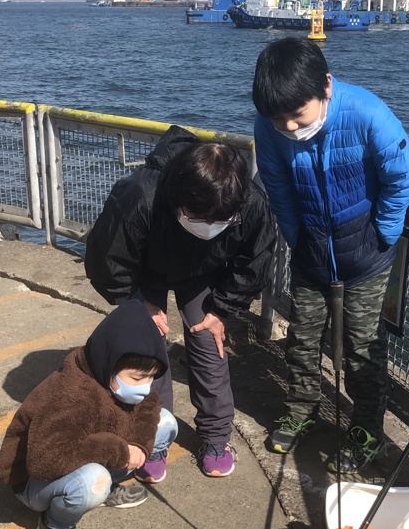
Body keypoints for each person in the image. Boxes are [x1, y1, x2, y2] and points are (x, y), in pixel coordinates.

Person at [251, 37, 409, 473]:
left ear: (325, 86)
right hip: (310, 251)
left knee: (364, 347)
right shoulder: (267, 127)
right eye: (279, 119)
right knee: (302, 337)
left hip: (365, 256)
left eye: (298, 115)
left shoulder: (367, 113)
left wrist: (381, 234)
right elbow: (278, 186)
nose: (289, 127)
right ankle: (301, 408)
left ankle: (367, 430)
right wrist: (295, 235)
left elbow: (405, 177)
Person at [84, 125, 278, 480]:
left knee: (208, 341)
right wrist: (136, 303)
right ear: (178, 200)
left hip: (204, 272)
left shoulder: (249, 202)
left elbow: (255, 260)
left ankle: (216, 437)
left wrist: (222, 309)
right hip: (146, 269)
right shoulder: (140, 196)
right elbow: (108, 258)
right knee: (145, 347)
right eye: (199, 218)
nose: (208, 225)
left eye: (220, 221)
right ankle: (151, 439)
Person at [0, 300, 178, 529]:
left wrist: (138, 443)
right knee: (93, 481)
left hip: (84, 452)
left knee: (166, 423)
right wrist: (119, 451)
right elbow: (45, 462)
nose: (145, 386)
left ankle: (107, 484)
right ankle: (55, 525)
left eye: (151, 377)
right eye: (138, 378)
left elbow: (149, 406)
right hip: (34, 479)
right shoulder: (71, 393)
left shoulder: (117, 374)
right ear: (110, 362)